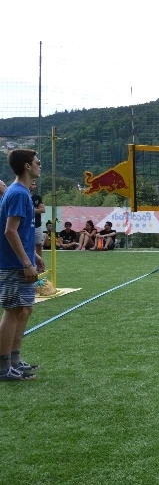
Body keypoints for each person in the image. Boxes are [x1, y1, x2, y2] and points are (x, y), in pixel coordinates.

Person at [0, 149, 44, 381]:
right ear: (27, 166)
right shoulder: (18, 193)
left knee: (24, 309)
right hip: (13, 264)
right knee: (13, 310)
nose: (40, 165)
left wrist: (34, 256)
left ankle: (14, 361)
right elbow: (10, 231)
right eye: (37, 162)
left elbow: (21, 231)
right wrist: (26, 263)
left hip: (21, 261)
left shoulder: (21, 192)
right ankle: (3, 366)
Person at [30, 179, 45, 259]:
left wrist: (31, 210)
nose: (34, 186)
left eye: (35, 184)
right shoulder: (23, 196)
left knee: (38, 244)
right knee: (27, 244)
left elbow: (43, 209)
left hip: (37, 225)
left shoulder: (37, 197)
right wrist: (36, 210)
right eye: (32, 184)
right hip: (26, 225)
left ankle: (39, 263)